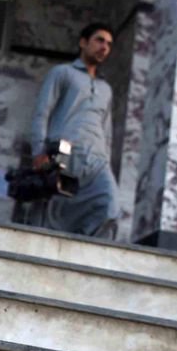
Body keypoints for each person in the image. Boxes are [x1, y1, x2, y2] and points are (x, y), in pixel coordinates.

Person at [29, 22, 119, 239]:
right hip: (64, 153)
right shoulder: (62, 73)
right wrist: (38, 151)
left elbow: (107, 131)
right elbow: (42, 112)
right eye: (99, 40)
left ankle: (82, 249)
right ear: (83, 42)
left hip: (97, 160)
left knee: (110, 207)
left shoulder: (106, 89)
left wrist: (106, 160)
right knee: (53, 215)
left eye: (109, 44)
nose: (104, 47)